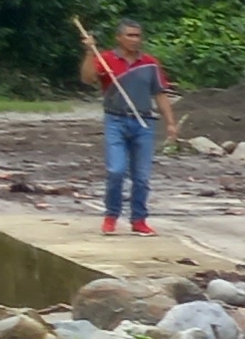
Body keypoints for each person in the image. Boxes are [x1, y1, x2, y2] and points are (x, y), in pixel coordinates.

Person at [76, 18, 177, 236]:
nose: (134, 40)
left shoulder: (149, 63)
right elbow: (87, 78)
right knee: (116, 170)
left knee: (141, 176)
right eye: (130, 35)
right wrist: (90, 52)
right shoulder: (106, 59)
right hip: (116, 120)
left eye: (137, 35)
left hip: (144, 122)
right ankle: (111, 215)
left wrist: (170, 122)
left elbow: (160, 94)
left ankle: (139, 220)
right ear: (119, 38)